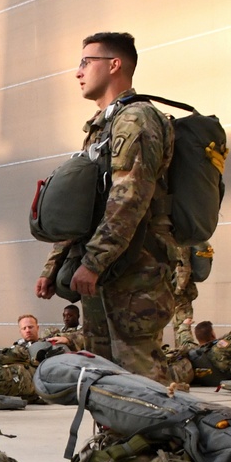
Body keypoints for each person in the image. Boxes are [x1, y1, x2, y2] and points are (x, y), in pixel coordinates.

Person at [36, 32, 177, 383]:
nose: (78, 72)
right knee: (103, 376)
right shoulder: (101, 128)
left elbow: (128, 199)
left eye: (86, 62)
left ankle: (156, 439)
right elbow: (83, 207)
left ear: (114, 65)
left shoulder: (136, 119)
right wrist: (54, 266)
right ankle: (114, 439)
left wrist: (94, 261)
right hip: (104, 273)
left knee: (140, 378)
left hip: (135, 273)